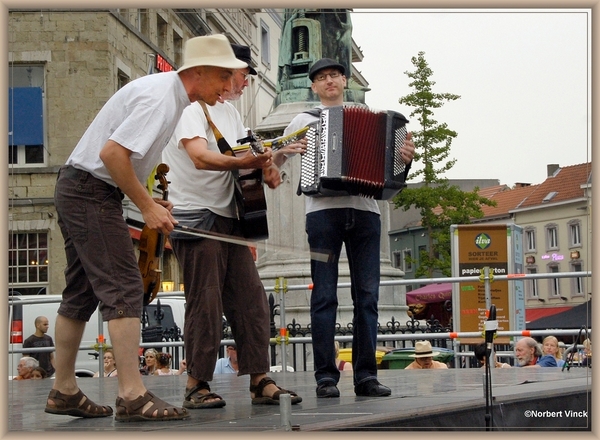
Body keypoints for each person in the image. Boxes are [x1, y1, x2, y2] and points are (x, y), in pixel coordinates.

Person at [46, 34, 247, 422]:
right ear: (198, 71)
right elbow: (112, 154)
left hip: (83, 188)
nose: (227, 87)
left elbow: (116, 156)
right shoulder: (162, 96)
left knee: (81, 291)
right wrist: (145, 205)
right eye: (224, 75)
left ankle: (64, 389)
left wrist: (150, 200)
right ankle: (132, 395)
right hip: (91, 191)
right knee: (124, 287)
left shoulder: (169, 96)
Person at [164, 43, 302, 409]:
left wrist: (267, 166)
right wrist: (250, 161)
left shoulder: (230, 113)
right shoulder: (191, 107)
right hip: (196, 216)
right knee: (204, 302)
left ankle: (259, 378)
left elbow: (243, 158)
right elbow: (199, 157)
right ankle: (196, 383)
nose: (243, 83)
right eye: (241, 75)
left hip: (230, 215)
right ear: (224, 72)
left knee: (252, 299)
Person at [277, 58, 415, 398]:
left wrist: (405, 159)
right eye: (321, 78)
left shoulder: (377, 121)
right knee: (324, 295)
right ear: (313, 86)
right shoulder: (302, 120)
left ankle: (366, 376)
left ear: (344, 80)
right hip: (322, 213)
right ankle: (326, 377)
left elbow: (393, 171)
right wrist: (289, 148)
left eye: (334, 76)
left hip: (366, 212)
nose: (329, 82)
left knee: (367, 297)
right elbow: (277, 159)